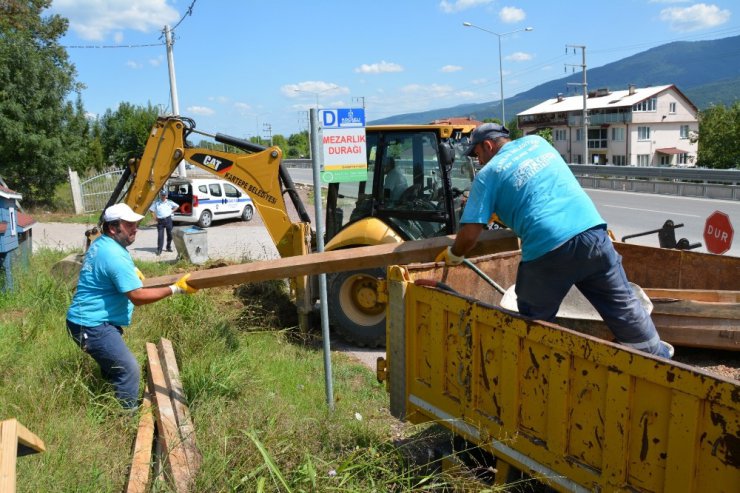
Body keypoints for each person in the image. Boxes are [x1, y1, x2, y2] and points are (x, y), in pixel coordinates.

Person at [436, 123, 673, 359]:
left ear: (487, 145)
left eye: (477, 154)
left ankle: (535, 371)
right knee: (624, 308)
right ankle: (658, 359)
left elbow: (470, 234)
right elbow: (537, 190)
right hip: (593, 234)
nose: (479, 162)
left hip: (548, 250)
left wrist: (455, 255)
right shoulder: (537, 142)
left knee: (533, 323)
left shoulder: (487, 175)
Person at [66, 203, 198, 409]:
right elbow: (137, 296)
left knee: (114, 367)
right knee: (128, 369)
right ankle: (126, 416)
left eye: (136, 224)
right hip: (92, 325)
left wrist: (131, 270)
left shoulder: (103, 244)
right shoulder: (113, 255)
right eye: (129, 225)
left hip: (90, 321)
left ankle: (109, 400)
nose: (135, 228)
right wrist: (175, 289)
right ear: (113, 228)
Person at [149, 189, 179, 255]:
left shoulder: (169, 202)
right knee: (160, 236)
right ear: (160, 195)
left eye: (164, 195)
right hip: (160, 221)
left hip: (168, 220)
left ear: (166, 196)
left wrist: (171, 211)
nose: (163, 196)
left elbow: (177, 206)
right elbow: (151, 210)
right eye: (162, 195)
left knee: (170, 235)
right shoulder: (157, 203)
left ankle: (168, 247)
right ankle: (159, 249)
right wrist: (155, 218)